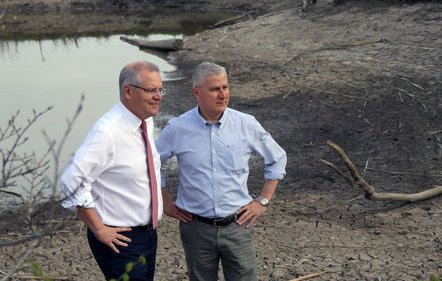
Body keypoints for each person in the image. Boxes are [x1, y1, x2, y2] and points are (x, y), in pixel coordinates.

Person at [156, 62, 287, 281]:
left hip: (237, 225)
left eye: (225, 87)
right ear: (196, 92)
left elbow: (278, 158)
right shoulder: (178, 128)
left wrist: (263, 201)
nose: (222, 94)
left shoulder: (246, 124)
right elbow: (151, 164)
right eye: (215, 89)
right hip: (196, 229)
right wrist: (165, 203)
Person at [60, 61, 165, 281]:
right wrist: (98, 228)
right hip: (120, 239)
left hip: (147, 234)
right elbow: (71, 180)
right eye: (151, 90)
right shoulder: (107, 132)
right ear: (128, 91)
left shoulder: (145, 121)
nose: (158, 96)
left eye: (160, 89)